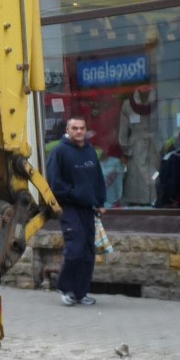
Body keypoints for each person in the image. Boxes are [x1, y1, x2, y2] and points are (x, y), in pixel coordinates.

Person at [45, 116, 107, 306]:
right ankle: (65, 288)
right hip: (69, 207)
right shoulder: (60, 151)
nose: (79, 132)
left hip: (88, 208)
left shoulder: (89, 150)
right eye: (75, 128)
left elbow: (97, 177)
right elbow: (55, 183)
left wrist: (100, 201)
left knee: (88, 252)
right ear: (68, 130)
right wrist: (75, 194)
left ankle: (81, 292)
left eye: (82, 128)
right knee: (75, 249)